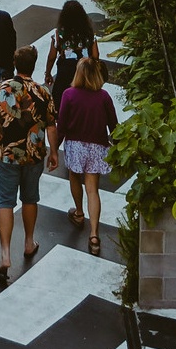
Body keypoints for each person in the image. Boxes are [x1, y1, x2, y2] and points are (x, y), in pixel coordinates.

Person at [0, 44, 58, 284]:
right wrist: (54, 152)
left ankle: (5, 255)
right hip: (33, 155)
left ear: (15, 64)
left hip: (6, 155)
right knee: (30, 198)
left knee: (5, 202)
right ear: (33, 66)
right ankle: (28, 242)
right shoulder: (43, 92)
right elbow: (52, 125)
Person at [58, 54, 117, 256]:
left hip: (75, 146)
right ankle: (94, 234)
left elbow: (62, 125)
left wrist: (52, 150)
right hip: (97, 147)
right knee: (93, 189)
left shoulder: (68, 94)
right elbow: (114, 125)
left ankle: (78, 212)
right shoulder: (104, 96)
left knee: (75, 178)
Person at [45, 0, 100, 116]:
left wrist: (48, 73)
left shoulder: (59, 33)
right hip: (84, 71)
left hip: (64, 73)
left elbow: (52, 57)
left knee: (60, 101)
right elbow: (95, 55)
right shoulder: (89, 33)